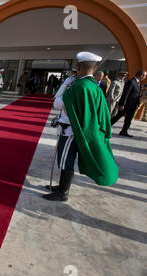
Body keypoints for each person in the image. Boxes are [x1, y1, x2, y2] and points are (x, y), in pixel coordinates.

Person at [43, 52, 119, 202]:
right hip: (81, 130)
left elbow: (57, 103)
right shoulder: (93, 86)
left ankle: (63, 192)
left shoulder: (78, 86)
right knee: (67, 160)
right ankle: (61, 187)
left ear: (78, 67)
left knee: (66, 160)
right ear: (95, 68)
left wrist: (65, 84)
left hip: (70, 131)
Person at [111, 70, 147, 137]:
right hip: (126, 105)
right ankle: (106, 127)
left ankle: (124, 131)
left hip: (133, 105)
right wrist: (122, 104)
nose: (144, 77)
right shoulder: (131, 82)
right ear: (141, 75)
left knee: (129, 119)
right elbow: (125, 94)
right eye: (144, 76)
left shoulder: (138, 83)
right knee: (117, 117)